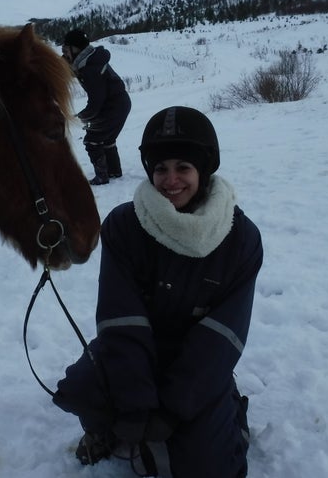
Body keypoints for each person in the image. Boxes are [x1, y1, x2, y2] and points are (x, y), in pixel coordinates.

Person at [52, 106, 264, 477]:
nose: (170, 180)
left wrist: (172, 408)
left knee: (208, 468)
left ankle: (230, 417)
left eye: (183, 167)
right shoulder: (123, 225)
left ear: (203, 169)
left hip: (199, 361)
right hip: (137, 348)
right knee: (80, 389)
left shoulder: (241, 239)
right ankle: (103, 429)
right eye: (160, 169)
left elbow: (223, 336)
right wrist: (134, 403)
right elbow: (120, 318)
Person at [61, 28, 131, 185]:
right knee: (107, 139)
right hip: (119, 104)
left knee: (92, 139)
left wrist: (81, 117)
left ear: (76, 49)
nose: (65, 54)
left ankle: (102, 176)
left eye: (66, 50)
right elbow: (67, 66)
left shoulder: (91, 68)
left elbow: (96, 102)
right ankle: (114, 171)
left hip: (113, 106)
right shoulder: (90, 60)